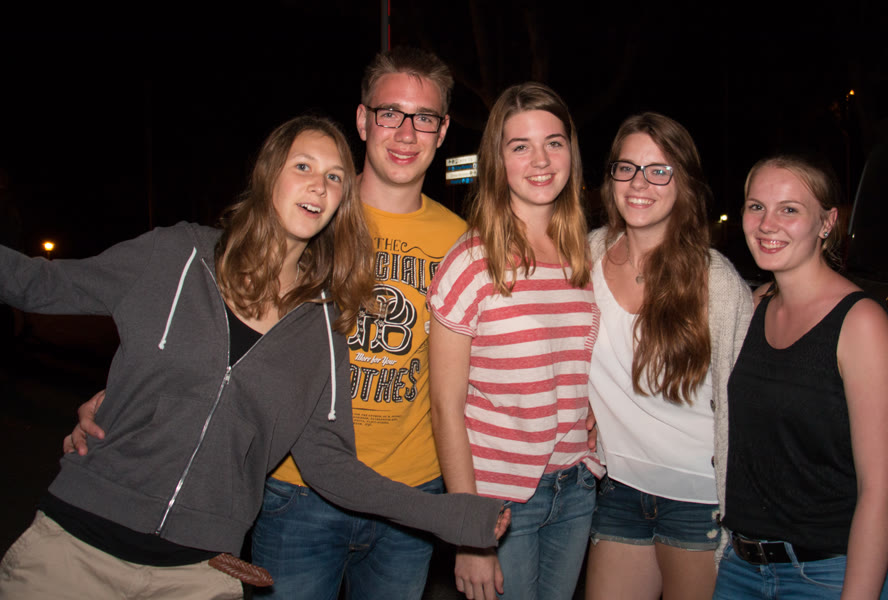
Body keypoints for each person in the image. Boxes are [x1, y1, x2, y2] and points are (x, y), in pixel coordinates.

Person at [0, 116, 508, 600]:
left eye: (335, 177)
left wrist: (452, 515)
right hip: (75, 547)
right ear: (268, 176)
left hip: (196, 575)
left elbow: (330, 465)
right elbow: (35, 283)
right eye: (303, 166)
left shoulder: (324, 328)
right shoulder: (176, 257)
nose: (319, 185)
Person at [428, 82, 604, 600]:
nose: (541, 160)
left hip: (576, 488)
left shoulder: (583, 257)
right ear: (497, 160)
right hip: (499, 501)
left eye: (554, 142)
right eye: (520, 146)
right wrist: (470, 531)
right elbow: (444, 407)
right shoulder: (471, 261)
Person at [713, 155, 888, 599]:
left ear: (827, 222)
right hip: (741, 568)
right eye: (756, 206)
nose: (767, 224)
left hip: (830, 572)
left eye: (789, 209)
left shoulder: (861, 323)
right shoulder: (751, 308)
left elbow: (883, 489)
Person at [583, 113, 752, 600]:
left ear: (684, 184)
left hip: (699, 499)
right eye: (627, 168)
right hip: (618, 488)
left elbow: (745, 403)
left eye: (659, 170)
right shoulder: (585, 256)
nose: (639, 183)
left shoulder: (715, 280)